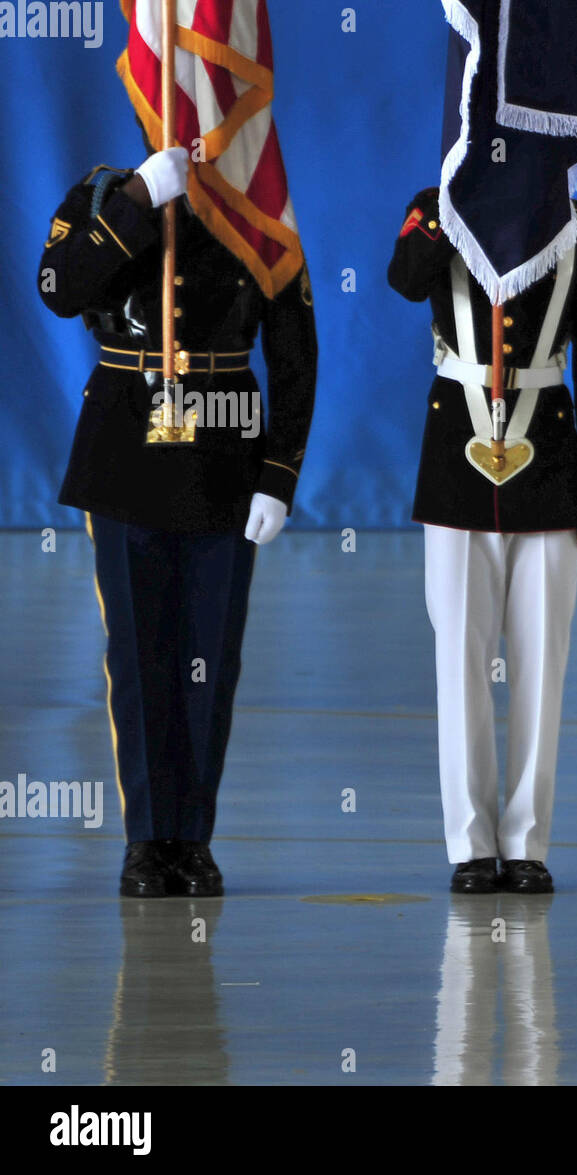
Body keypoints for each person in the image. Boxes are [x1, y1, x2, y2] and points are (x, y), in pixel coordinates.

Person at [38, 145, 317, 898]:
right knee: (139, 659)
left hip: (225, 456)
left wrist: (279, 475)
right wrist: (136, 199)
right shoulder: (101, 195)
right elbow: (61, 288)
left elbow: (294, 350)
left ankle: (190, 839)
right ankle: (145, 841)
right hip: (126, 455)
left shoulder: (256, 210)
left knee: (208, 660)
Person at [387, 188, 577, 895]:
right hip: (457, 447)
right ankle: (469, 842)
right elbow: (405, 279)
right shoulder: (437, 203)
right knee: (459, 653)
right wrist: (455, 210)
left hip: (547, 449)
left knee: (542, 659)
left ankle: (526, 840)